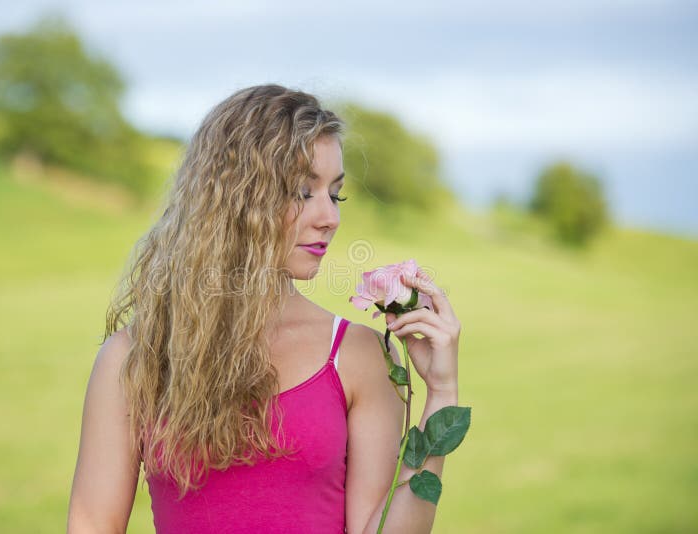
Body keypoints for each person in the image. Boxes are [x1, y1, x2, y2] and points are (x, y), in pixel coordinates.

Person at [66, 84, 461, 533]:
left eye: (335, 194)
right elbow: (92, 524)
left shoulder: (357, 354)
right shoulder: (136, 356)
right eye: (300, 191)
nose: (329, 217)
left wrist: (441, 395)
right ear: (234, 198)